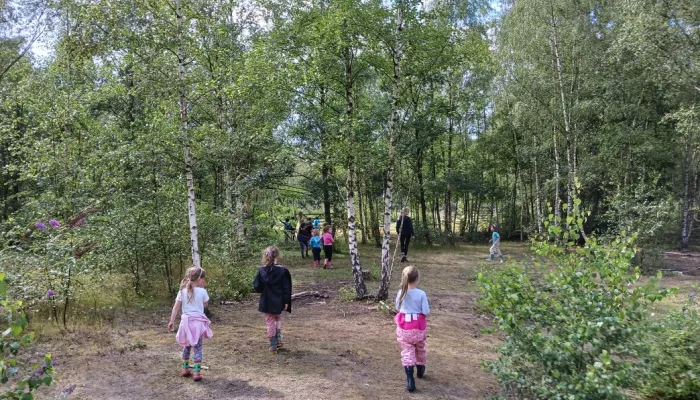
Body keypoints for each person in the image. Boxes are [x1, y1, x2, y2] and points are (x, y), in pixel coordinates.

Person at [168, 267, 213, 381]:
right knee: (197, 347)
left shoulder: (182, 291)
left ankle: (185, 369)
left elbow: (176, 307)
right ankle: (197, 373)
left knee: (186, 346)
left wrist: (172, 321)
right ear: (199, 279)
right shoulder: (202, 291)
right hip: (197, 323)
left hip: (186, 323)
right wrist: (203, 290)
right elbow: (206, 304)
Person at [394, 266, 430, 393]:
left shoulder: (401, 292)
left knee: (407, 350)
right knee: (420, 347)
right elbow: (426, 311)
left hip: (404, 328)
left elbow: (397, 307)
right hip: (418, 327)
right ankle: (420, 369)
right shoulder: (421, 294)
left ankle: (410, 380)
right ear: (417, 279)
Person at [253, 246, 292, 354]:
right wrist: (286, 301)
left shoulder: (261, 270)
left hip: (267, 301)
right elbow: (286, 287)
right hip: (279, 300)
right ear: (278, 256)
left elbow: (257, 287)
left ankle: (273, 345)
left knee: (270, 321)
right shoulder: (283, 270)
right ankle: (278, 340)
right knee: (277, 318)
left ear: (265, 256)